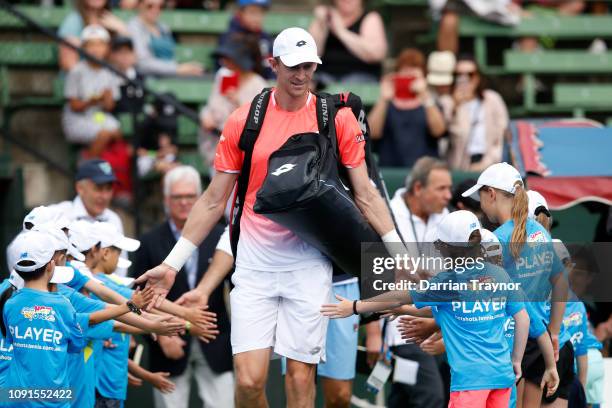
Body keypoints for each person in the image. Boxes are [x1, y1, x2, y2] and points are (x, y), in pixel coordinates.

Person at [136, 27, 404, 408]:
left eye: (308, 66)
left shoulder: (336, 118)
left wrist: (400, 253)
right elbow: (214, 201)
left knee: (299, 380)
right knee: (247, 382)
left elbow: (366, 194)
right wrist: (171, 264)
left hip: (309, 265)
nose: (301, 75)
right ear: (273, 64)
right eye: (292, 66)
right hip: (255, 265)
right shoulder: (244, 121)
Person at [321, 210, 554, 407]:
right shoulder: (499, 275)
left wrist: (354, 306)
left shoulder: (446, 282)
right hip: (502, 378)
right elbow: (522, 319)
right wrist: (515, 360)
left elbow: (398, 297)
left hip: (469, 382)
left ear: (444, 248)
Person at [462, 162, 571, 407]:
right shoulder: (541, 233)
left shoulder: (496, 240)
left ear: (491, 194)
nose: (480, 205)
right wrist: (552, 331)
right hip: (538, 337)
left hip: (511, 341)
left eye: (480, 196)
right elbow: (561, 281)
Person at [0, 230, 153, 403]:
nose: (83, 295)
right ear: (51, 265)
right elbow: (89, 326)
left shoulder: (11, 304)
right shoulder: (62, 304)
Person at [132, 165, 234, 408]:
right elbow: (135, 296)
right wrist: (159, 334)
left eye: (190, 196)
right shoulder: (149, 241)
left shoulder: (222, 236)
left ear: (199, 198)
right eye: (178, 196)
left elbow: (237, 287)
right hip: (168, 344)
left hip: (214, 339)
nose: (184, 202)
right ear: (167, 200)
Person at [384, 156, 452, 408]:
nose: (448, 195)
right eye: (441, 188)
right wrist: (372, 334)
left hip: (434, 326)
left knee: (403, 396)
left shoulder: (447, 219)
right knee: (430, 397)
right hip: (400, 331)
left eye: (449, 188)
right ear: (418, 189)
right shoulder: (388, 215)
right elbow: (372, 274)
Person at [199, 34, 268, 171]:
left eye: (230, 59)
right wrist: (205, 116)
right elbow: (210, 106)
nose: (226, 62)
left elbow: (256, 125)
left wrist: (237, 102)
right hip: (215, 148)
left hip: (241, 156)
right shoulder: (223, 76)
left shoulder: (258, 85)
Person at [368, 49, 447, 167]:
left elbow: (439, 131)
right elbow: (372, 132)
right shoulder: (386, 104)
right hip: (390, 169)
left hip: (425, 171)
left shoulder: (429, 103)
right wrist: (383, 99)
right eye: (404, 71)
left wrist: (425, 96)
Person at [50, 159, 130, 275]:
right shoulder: (58, 214)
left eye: (109, 189)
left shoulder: (114, 219)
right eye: (99, 188)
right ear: (80, 188)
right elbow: (20, 249)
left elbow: (121, 267)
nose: (105, 196)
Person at [62, 25, 123, 159]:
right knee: (104, 134)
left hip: (98, 116)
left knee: (116, 132)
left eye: (100, 44)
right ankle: (87, 170)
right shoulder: (76, 71)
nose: (95, 49)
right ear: (83, 48)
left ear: (107, 48)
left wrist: (106, 98)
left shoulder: (110, 71)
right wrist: (91, 101)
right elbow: (74, 106)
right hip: (77, 119)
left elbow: (110, 107)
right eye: (91, 45)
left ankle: (106, 165)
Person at [440, 55, 510, 172]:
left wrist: (488, 162)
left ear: (478, 77)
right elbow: (446, 138)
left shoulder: (492, 99)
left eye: (470, 74)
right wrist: (455, 106)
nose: (464, 79)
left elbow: (503, 134)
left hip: (491, 164)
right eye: (459, 75)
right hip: (459, 166)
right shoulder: (447, 102)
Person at [309, 0, 387, 83]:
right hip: (324, 78)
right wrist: (321, 24)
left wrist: (341, 31)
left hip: (361, 78)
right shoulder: (325, 17)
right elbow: (311, 54)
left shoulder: (370, 18)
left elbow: (375, 55)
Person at [127, 0, 204, 77]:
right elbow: (143, 64)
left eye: (160, 6)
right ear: (140, 5)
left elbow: (171, 58)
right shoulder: (134, 28)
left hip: (170, 75)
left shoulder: (163, 27)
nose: (156, 10)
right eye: (150, 6)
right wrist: (177, 69)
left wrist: (186, 68)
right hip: (147, 79)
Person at [58, 0, 129, 72]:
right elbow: (68, 64)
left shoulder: (112, 21)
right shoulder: (73, 21)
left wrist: (123, 30)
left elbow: (126, 61)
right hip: (81, 79)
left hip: (108, 78)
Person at [217, 0, 275, 79]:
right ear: (240, 13)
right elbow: (225, 68)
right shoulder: (230, 37)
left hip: (262, 84)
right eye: (252, 12)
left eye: (261, 13)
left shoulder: (265, 38)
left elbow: (270, 68)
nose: (257, 18)